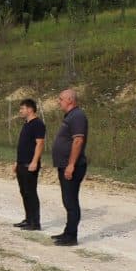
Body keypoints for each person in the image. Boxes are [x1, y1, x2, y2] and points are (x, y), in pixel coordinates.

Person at [51, 89, 88, 246]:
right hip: (65, 164)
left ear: (70, 100)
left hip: (72, 165)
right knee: (67, 200)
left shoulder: (78, 116)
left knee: (71, 201)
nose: (58, 102)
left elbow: (78, 141)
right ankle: (67, 232)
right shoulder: (70, 116)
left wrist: (71, 164)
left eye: (61, 99)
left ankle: (71, 236)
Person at [12, 98, 46, 230]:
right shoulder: (26, 124)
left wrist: (34, 161)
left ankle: (35, 223)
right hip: (21, 163)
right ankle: (28, 219)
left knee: (31, 192)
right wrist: (17, 162)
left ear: (30, 109)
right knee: (24, 192)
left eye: (22, 108)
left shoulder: (37, 124)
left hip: (30, 164)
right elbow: (23, 145)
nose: (20, 111)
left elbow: (40, 143)